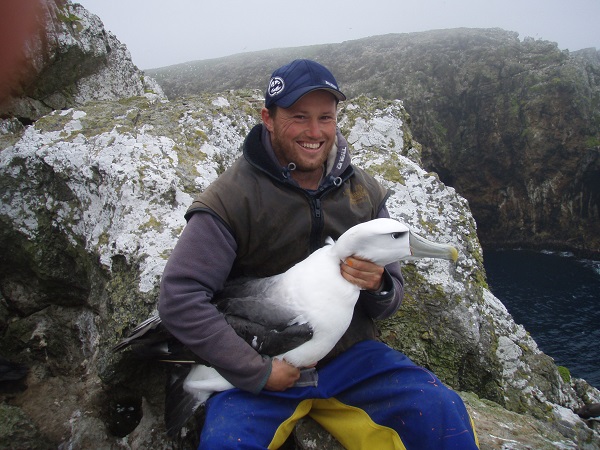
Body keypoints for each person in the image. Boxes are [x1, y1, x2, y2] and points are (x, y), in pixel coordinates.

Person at [158, 59, 479, 449]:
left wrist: (378, 285)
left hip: (351, 359)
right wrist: (255, 371)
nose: (315, 132)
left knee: (444, 416)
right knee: (229, 444)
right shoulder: (230, 199)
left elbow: (390, 298)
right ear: (268, 118)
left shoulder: (365, 192)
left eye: (326, 117)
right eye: (299, 117)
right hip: (265, 367)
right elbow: (179, 297)